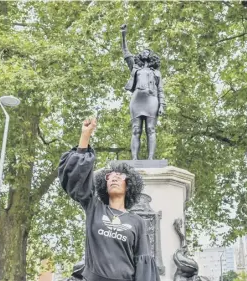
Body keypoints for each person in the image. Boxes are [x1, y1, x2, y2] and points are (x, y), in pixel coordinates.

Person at [58, 117, 160, 281]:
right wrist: (85, 135)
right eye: (109, 176)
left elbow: (143, 264)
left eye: (119, 176)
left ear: (129, 185)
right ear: (103, 184)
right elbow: (77, 179)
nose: (113, 178)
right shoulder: (95, 208)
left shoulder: (138, 222)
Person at [120, 24, 166, 160]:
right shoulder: (135, 68)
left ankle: (151, 158)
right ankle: (134, 158)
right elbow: (126, 52)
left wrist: (162, 105)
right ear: (141, 55)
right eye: (144, 51)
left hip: (152, 100)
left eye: (148, 51)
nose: (146, 52)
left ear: (151, 56)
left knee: (151, 129)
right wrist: (123, 35)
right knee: (136, 130)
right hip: (137, 100)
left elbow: (161, 89)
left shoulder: (156, 72)